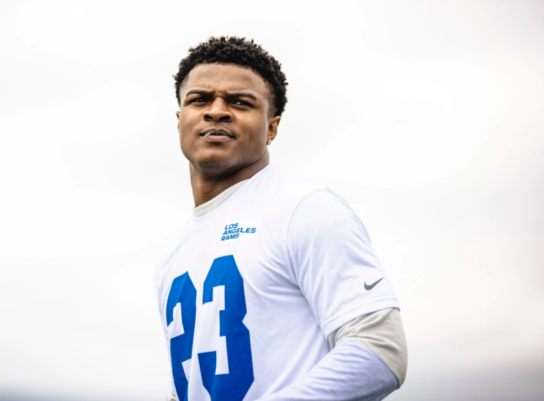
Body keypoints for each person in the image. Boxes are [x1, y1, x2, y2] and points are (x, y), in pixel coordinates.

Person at [154, 36, 407, 401]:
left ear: (271, 128)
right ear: (180, 121)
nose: (217, 111)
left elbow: (381, 351)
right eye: (200, 99)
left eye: (240, 102)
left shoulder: (305, 210)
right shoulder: (172, 254)